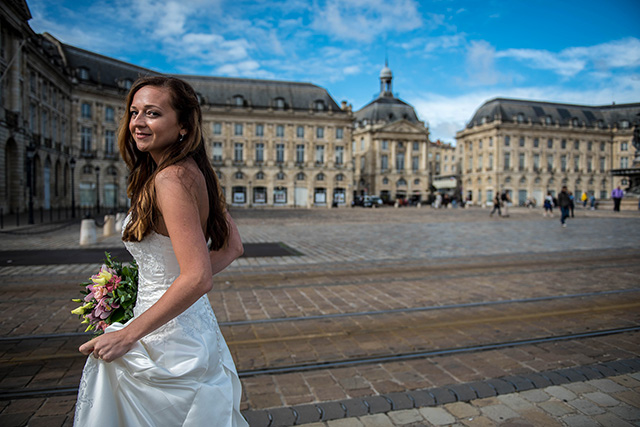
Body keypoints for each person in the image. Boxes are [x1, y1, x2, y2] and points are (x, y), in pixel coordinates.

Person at [74, 76, 248, 426]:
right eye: (134, 112)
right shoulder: (196, 173)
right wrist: (163, 282)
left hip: (166, 341)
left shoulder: (169, 180)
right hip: (190, 326)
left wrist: (127, 333)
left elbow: (197, 277)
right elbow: (232, 247)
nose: (138, 122)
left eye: (152, 113)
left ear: (184, 125)